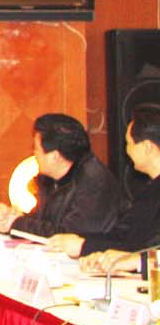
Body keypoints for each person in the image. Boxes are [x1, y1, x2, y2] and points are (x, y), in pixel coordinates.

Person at [49, 104, 160, 259]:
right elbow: (123, 235)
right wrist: (81, 242)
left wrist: (83, 246)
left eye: (129, 143)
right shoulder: (150, 190)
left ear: (148, 147)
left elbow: (141, 247)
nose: (127, 151)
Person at [0, 112, 126, 238]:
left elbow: (70, 236)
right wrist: (13, 219)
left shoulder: (95, 182)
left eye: (36, 149)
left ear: (55, 156)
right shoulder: (51, 180)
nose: (34, 155)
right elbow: (44, 223)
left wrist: (17, 224)